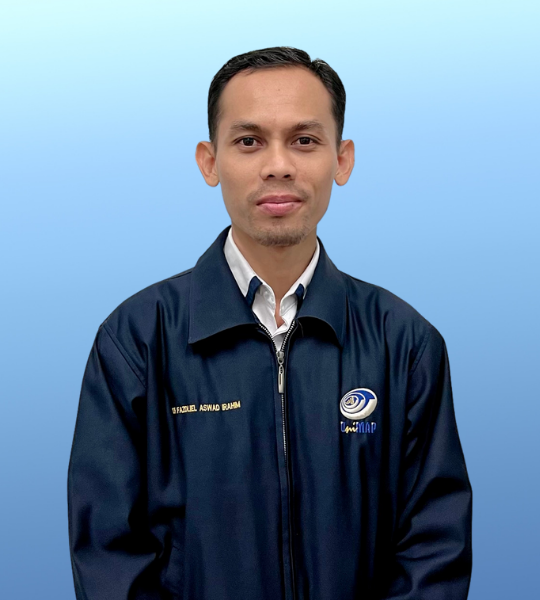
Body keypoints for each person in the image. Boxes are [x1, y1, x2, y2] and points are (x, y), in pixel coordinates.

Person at [68, 47, 472, 600]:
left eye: (304, 140)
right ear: (209, 162)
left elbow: (434, 548)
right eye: (249, 141)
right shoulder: (137, 340)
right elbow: (108, 554)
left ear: (342, 160)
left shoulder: (404, 343)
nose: (278, 165)